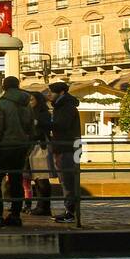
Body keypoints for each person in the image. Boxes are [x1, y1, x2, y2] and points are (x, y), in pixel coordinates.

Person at [0, 76, 34, 227]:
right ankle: (15, 215)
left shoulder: (2, 105)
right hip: (21, 148)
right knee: (16, 182)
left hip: (4, 148)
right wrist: (28, 147)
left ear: (4, 87)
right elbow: (31, 129)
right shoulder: (27, 105)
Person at [48, 81, 80, 223]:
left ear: (60, 93)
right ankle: (69, 210)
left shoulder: (65, 107)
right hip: (67, 146)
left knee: (68, 180)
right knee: (66, 179)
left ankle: (70, 212)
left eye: (51, 92)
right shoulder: (63, 106)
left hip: (68, 146)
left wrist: (42, 123)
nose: (49, 95)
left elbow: (62, 125)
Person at [25, 91, 52, 216]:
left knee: (42, 178)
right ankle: (40, 205)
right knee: (37, 179)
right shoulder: (32, 113)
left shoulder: (43, 114)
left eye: (32, 100)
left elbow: (42, 130)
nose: (30, 102)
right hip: (34, 147)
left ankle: (44, 206)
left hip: (40, 147)